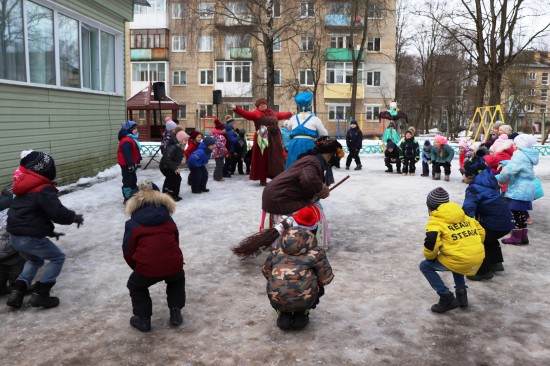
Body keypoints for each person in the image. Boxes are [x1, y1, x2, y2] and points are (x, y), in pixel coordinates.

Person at [6, 151, 84, 309]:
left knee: (34, 260)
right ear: (46, 169)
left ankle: (17, 292)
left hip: (14, 236)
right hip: (28, 237)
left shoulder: (24, 185)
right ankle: (41, 295)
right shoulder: (43, 188)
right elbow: (57, 213)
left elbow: (31, 214)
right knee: (58, 258)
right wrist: (73, 217)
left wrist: (48, 231)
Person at [123, 181, 185, 332]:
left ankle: (143, 320)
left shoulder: (133, 223)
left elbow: (127, 250)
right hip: (174, 263)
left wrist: (137, 266)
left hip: (146, 267)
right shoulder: (168, 219)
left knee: (136, 285)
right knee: (176, 279)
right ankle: (176, 313)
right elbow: (176, 240)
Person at [262, 205, 334, 330]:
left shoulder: (276, 250)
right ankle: (302, 312)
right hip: (305, 299)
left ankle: (283, 313)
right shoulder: (316, 252)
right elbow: (325, 279)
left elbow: (266, 272)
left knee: (275, 281)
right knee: (318, 284)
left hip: (277, 297)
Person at [419, 187, 485, 313]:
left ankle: (446, 297)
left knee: (425, 266)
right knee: (455, 256)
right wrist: (472, 246)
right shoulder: (464, 216)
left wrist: (430, 258)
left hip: (461, 259)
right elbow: (481, 232)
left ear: (430, 207)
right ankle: (462, 295)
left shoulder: (435, 222)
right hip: (477, 256)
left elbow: (431, 244)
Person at [461, 155, 514, 280]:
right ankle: (496, 263)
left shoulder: (474, 189)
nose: (462, 176)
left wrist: (464, 223)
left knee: (479, 240)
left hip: (495, 223)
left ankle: (483, 271)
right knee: (489, 238)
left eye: (463, 173)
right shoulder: (489, 183)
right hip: (505, 222)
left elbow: (468, 208)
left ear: (470, 175)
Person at [228, 99, 292, 186]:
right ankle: (263, 178)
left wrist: (290, 113)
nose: (262, 106)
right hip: (263, 134)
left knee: (276, 157)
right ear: (257, 107)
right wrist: (236, 108)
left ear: (267, 105)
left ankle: (275, 175)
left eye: (264, 104)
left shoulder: (272, 113)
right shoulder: (256, 113)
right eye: (260, 105)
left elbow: (281, 115)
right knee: (263, 157)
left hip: (274, 137)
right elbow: (246, 114)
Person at [497, 134, 539, 245]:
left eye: (515, 143)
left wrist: (501, 180)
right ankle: (523, 236)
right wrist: (504, 162)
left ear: (520, 144)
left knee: (514, 214)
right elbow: (518, 165)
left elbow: (509, 170)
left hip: (518, 189)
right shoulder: (527, 154)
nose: (514, 145)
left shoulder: (519, 154)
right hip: (526, 189)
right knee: (521, 214)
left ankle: (516, 237)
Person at [285, 92, 328, 168]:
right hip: (309, 145)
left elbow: (289, 128)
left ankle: (292, 179)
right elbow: (324, 133)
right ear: (310, 106)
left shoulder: (294, 118)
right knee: (308, 166)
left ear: (298, 106)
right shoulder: (315, 119)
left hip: (294, 145)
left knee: (293, 166)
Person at [159, 131, 189, 202]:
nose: (186, 142)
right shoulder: (173, 147)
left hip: (169, 166)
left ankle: (166, 193)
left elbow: (177, 156)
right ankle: (173, 195)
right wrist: (175, 168)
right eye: (185, 140)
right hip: (166, 167)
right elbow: (167, 159)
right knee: (176, 179)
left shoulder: (180, 146)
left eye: (187, 140)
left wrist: (181, 161)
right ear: (180, 140)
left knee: (170, 178)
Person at [117, 121, 142, 203]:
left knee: (133, 179)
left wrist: (137, 160)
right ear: (129, 130)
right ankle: (127, 198)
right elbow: (127, 153)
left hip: (130, 164)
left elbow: (134, 151)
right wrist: (130, 164)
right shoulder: (126, 140)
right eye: (134, 129)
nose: (136, 130)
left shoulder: (130, 139)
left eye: (136, 128)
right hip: (126, 164)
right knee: (128, 181)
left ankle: (133, 196)